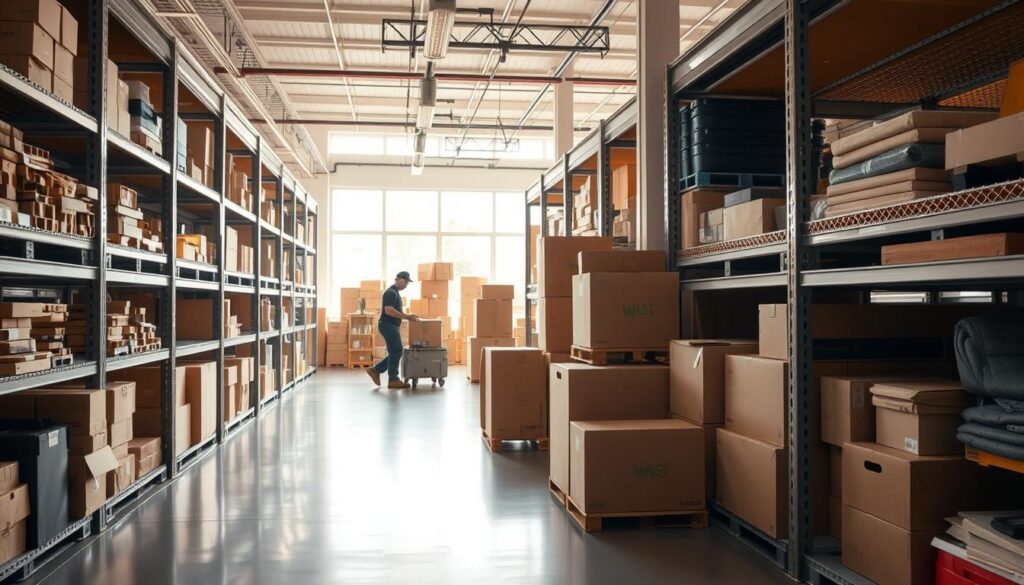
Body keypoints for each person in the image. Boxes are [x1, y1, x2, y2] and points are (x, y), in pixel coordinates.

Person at [367, 271, 419, 389]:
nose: (406, 285)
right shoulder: (391, 292)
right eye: (405, 282)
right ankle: (393, 380)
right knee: (397, 350)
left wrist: (407, 315)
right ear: (400, 280)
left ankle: (376, 370)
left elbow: (393, 310)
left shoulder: (394, 292)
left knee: (395, 351)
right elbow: (388, 310)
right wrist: (406, 317)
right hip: (388, 325)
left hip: (390, 325)